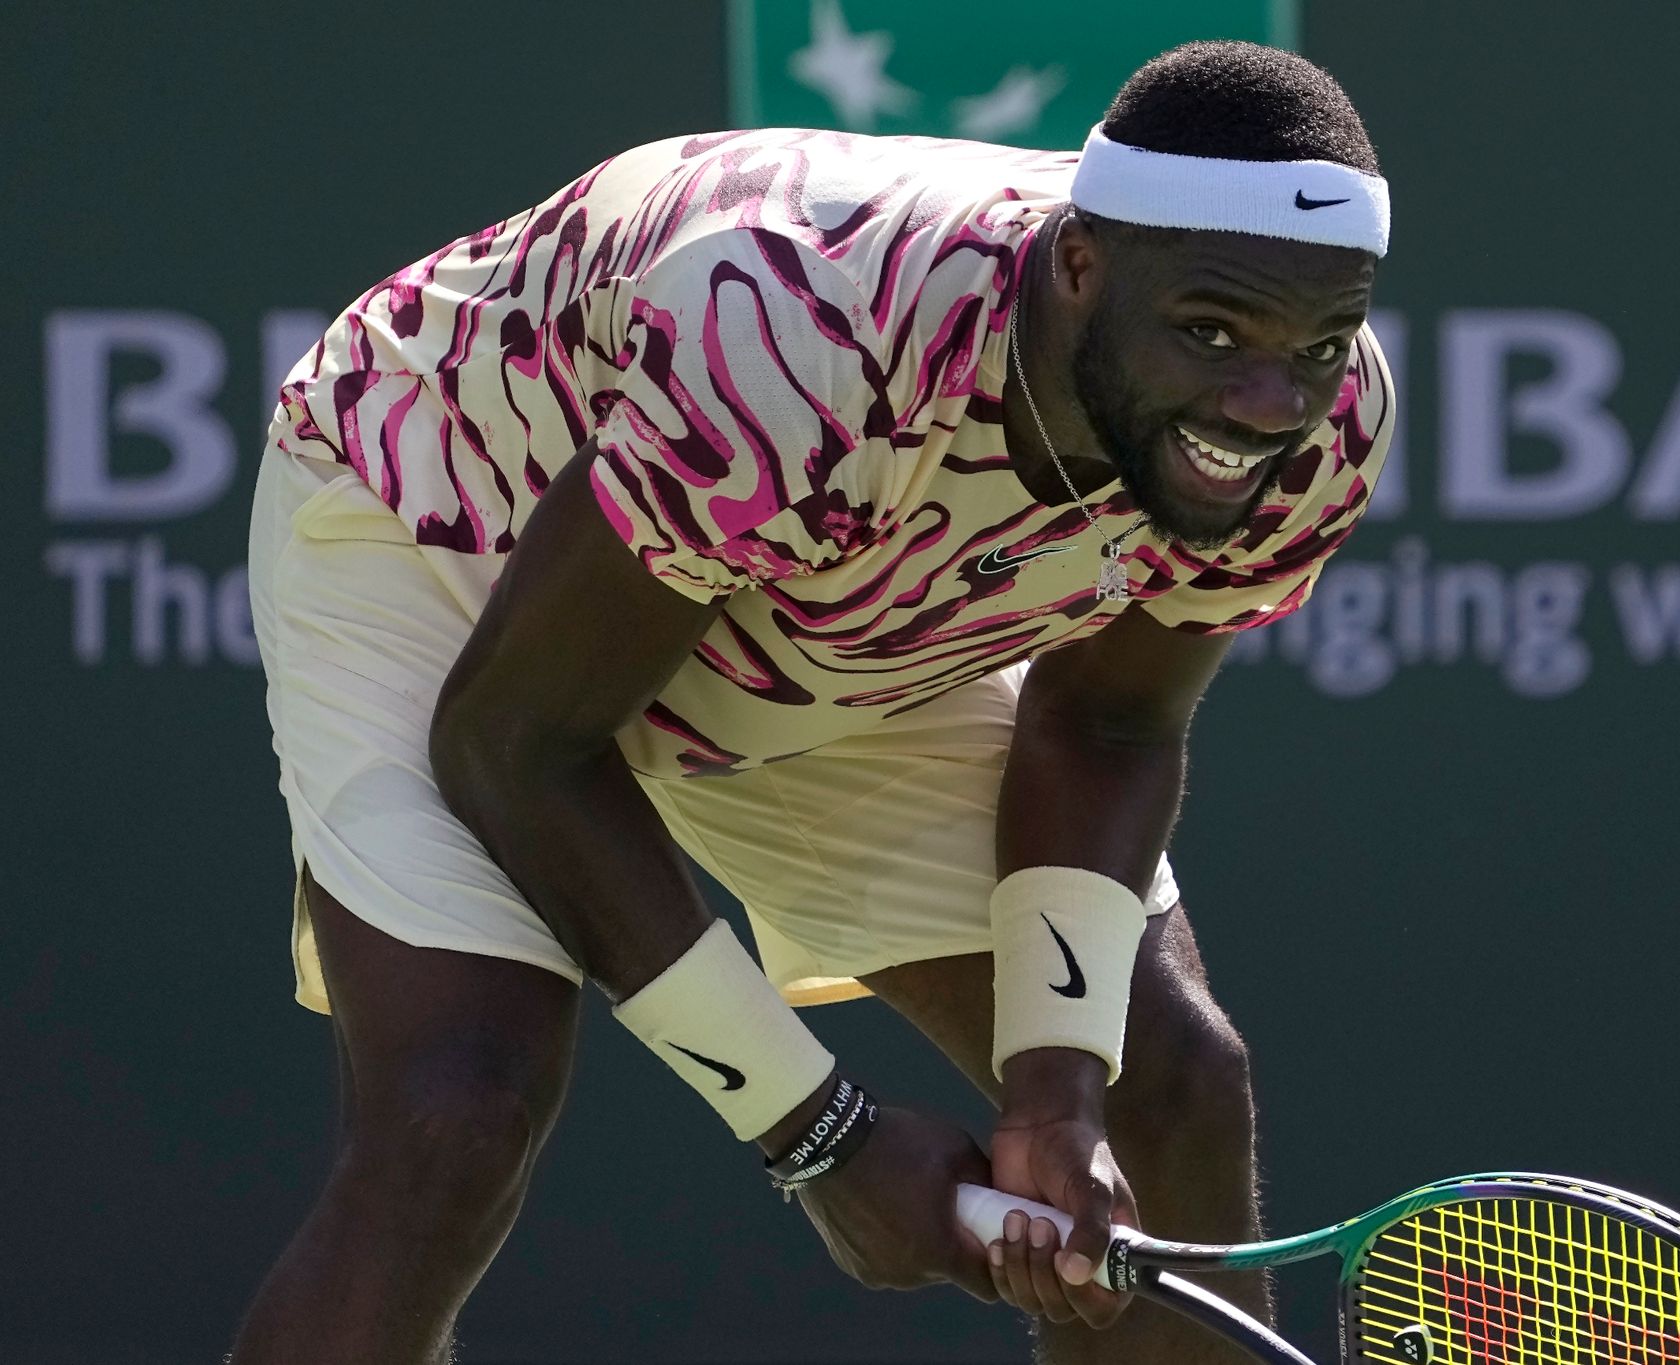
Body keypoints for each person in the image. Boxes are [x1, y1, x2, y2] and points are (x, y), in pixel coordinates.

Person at [232, 38, 1392, 1365]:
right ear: (1079, 268)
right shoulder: (797, 325)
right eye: (1212, 332)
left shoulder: (1321, 428)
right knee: (458, 1109)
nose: (1268, 400)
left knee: (1159, 1085)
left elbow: (1106, 719)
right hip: (454, 525)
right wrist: (820, 1135)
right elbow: (516, 740)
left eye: (1319, 342)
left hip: (810, 590)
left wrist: (1056, 1085)